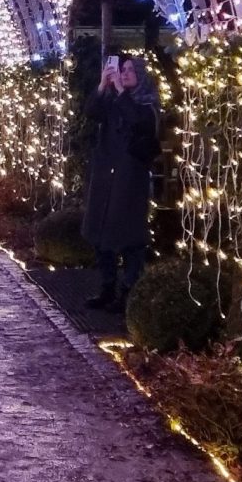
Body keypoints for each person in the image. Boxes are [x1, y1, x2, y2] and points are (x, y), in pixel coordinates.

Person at [81, 54, 160, 313]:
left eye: (130, 71)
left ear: (141, 76)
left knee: (128, 235)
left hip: (130, 179)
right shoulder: (115, 101)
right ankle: (107, 287)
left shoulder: (146, 105)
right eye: (122, 69)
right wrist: (103, 85)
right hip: (106, 176)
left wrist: (120, 92)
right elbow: (91, 112)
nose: (124, 74)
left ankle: (128, 291)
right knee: (101, 231)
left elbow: (137, 120)